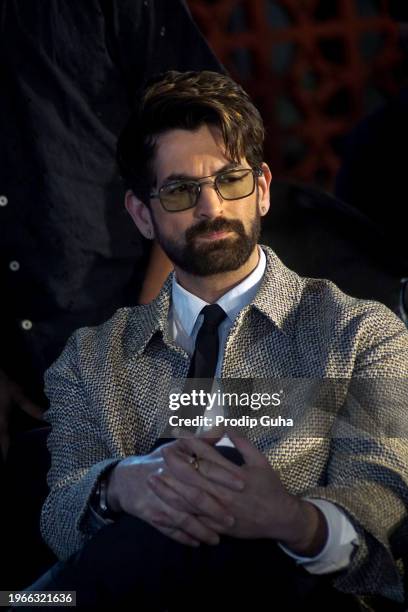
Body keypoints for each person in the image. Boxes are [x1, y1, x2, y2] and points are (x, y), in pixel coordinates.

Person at [23, 70, 408, 610]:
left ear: (263, 189)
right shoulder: (90, 359)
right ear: (141, 214)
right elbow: (61, 518)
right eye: (181, 191)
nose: (211, 208)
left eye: (230, 180)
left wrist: (291, 519)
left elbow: (384, 507)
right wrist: (118, 485)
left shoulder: (360, 333)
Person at [0, 0, 223, 590]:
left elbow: (208, 139)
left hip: (154, 365)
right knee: (40, 587)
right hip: (30, 395)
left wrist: (138, 348)